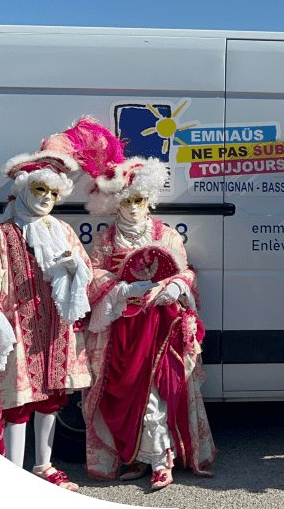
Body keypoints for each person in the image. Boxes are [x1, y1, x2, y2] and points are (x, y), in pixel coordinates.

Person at [0, 128, 94, 491]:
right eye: (40, 189)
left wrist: (74, 268)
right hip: (18, 329)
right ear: (23, 188)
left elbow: (83, 271)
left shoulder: (62, 231)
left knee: (52, 400)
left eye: (53, 192)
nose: (47, 198)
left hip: (55, 329)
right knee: (19, 402)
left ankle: (44, 465)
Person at [81, 155, 216, 490]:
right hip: (122, 330)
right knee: (128, 396)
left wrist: (175, 286)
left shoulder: (166, 235)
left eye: (139, 199)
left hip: (159, 327)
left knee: (154, 395)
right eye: (126, 200)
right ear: (115, 203)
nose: (134, 207)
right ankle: (140, 457)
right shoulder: (104, 240)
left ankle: (161, 461)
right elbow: (93, 276)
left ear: (149, 198)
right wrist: (122, 288)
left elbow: (186, 272)